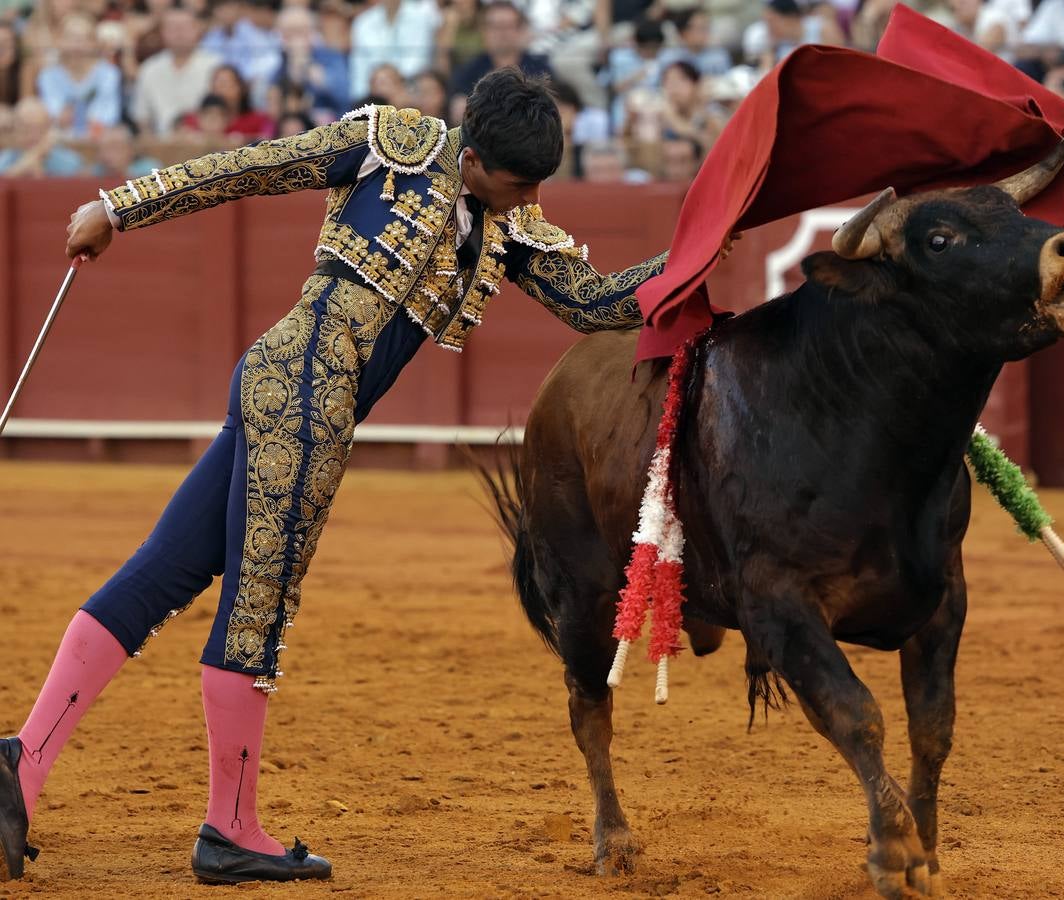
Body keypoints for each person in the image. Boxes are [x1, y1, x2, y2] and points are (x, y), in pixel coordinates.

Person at [2, 68, 684, 886]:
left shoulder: (509, 223)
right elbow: (251, 168)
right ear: (472, 161)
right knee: (257, 611)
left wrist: (689, 256)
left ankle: (19, 767)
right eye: (514, 184)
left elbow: (588, 300)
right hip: (300, 396)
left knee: (163, 573)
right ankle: (230, 828)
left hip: (294, 396)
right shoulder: (387, 145)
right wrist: (117, 208)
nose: (523, 200)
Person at [449, 1, 554, 120]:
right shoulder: (468, 71)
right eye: (496, 26)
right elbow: (459, 109)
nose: (502, 33)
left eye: (508, 26)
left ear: (520, 30)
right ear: (484, 31)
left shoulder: (541, 70)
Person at [132, 1, 222, 135]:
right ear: (162, 32)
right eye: (173, 28)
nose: (179, 33)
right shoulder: (149, 68)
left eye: (184, 27)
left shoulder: (215, 66)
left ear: (197, 29)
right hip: (162, 145)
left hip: (207, 145)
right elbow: (142, 119)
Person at [35, 12, 122, 138]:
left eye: (84, 39)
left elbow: (109, 114)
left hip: (100, 141)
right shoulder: (47, 76)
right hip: (58, 141)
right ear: (58, 40)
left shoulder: (109, 74)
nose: (76, 45)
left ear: (95, 43)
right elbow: (52, 113)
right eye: (70, 37)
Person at [348, 0, 441, 105]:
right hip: (373, 95)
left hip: (409, 92)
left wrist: (395, 86)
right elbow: (359, 72)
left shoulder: (422, 18)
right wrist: (365, 101)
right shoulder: (363, 22)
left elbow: (419, 62)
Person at [0, 97, 85, 175]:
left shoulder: (69, 162)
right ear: (16, 131)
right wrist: (22, 167)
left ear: (49, 130)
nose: (33, 137)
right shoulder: (8, 157)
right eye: (26, 130)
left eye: (40, 130)